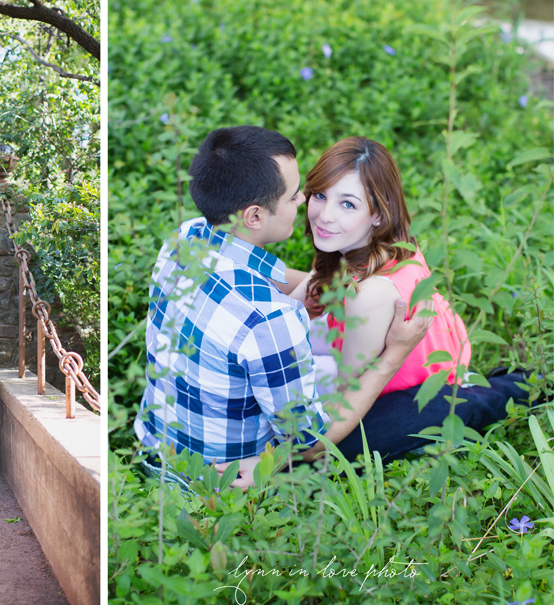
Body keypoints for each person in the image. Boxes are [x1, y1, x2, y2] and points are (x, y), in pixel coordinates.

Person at [134, 125, 434, 490]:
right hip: (217, 482)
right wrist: (396, 353)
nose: (308, 206)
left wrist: (330, 283)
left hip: (152, 447)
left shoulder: (185, 238)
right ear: (255, 216)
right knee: (418, 412)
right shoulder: (272, 320)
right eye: (298, 197)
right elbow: (310, 444)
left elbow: (261, 274)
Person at [286, 136, 529, 462]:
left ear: (377, 214)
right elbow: (303, 300)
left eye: (348, 204)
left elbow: (346, 399)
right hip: (427, 346)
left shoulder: (368, 294)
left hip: (413, 385)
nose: (324, 215)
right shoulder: (383, 242)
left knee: (308, 446)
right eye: (320, 195)